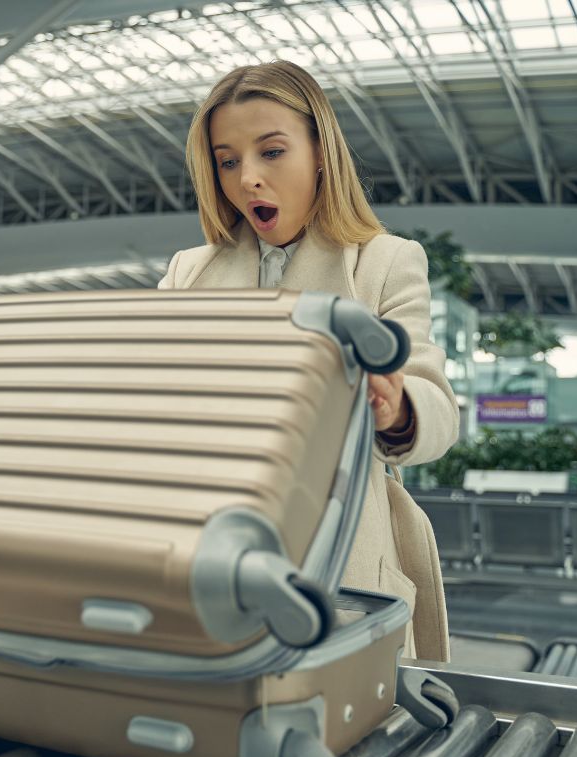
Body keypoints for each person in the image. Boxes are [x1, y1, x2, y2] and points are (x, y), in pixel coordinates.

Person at [159, 61, 459, 661]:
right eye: (227, 161)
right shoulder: (187, 273)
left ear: (321, 152)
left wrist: (396, 406)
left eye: (271, 152)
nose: (248, 178)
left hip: (343, 561)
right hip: (211, 550)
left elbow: (437, 410)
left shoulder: (384, 263)